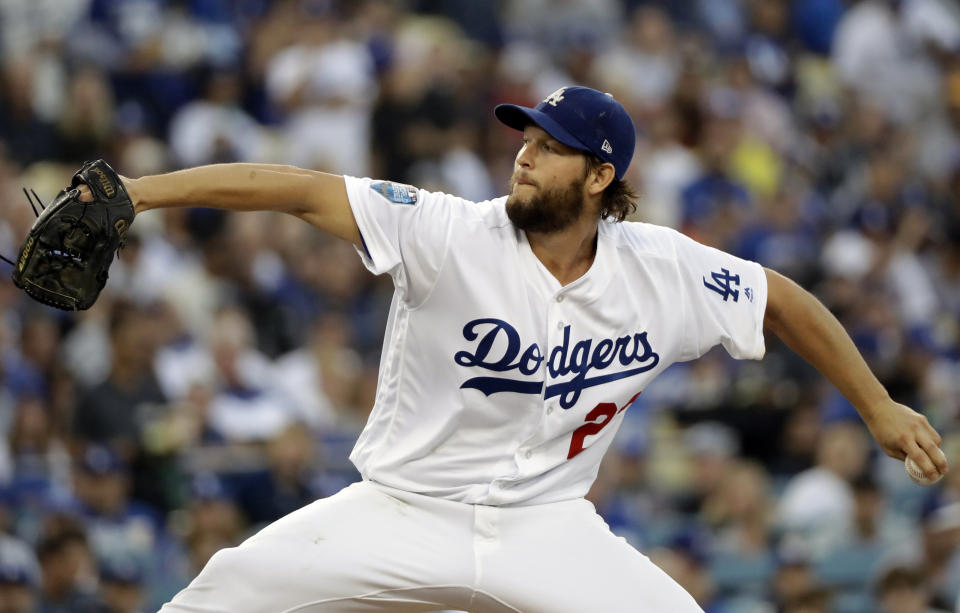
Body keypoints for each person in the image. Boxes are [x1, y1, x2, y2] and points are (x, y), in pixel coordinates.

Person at [77, 85, 948, 612]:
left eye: (549, 147)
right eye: (524, 139)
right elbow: (296, 190)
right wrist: (138, 196)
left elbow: (781, 300)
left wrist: (876, 403)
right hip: (402, 511)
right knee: (222, 593)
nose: (524, 157)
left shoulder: (661, 269)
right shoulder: (448, 231)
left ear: (600, 177)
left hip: (547, 523)